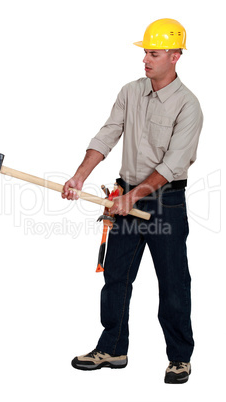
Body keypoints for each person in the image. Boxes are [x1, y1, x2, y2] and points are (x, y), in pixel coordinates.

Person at [62, 18, 203, 384]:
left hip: (166, 203)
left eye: (154, 53)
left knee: (172, 282)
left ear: (175, 56)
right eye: (145, 52)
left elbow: (173, 164)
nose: (146, 59)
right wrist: (80, 176)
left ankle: (179, 358)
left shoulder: (188, 106)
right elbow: (108, 133)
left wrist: (134, 196)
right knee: (115, 278)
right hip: (124, 197)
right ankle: (113, 348)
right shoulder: (130, 91)